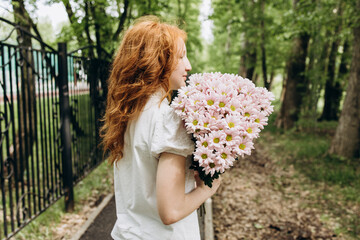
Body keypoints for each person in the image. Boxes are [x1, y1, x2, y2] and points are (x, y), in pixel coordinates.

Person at [100, 16, 221, 240]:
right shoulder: (170, 119)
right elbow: (171, 211)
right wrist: (207, 189)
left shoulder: (127, 114)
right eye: (181, 56)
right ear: (156, 62)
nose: (189, 65)